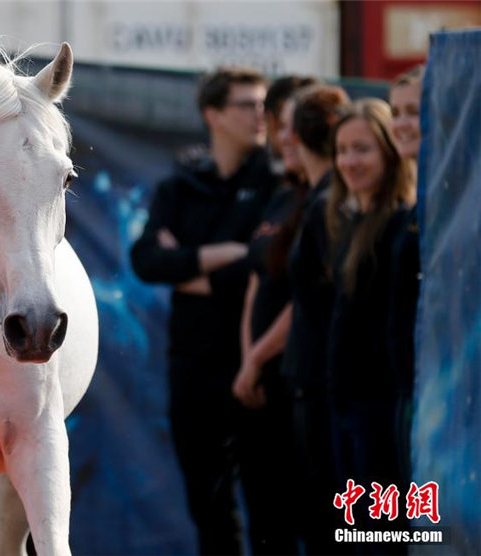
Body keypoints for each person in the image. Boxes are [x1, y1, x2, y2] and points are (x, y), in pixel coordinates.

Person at [130, 67, 275, 555]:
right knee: (208, 507)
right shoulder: (182, 185)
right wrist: (228, 253)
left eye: (264, 104)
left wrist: (188, 263)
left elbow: (263, 268)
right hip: (192, 369)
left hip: (256, 368)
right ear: (214, 115)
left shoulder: (276, 182)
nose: (261, 115)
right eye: (247, 105)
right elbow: (147, 261)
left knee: (268, 506)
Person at [231, 76, 317, 555]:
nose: (285, 137)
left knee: (311, 517)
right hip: (259, 378)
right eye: (280, 126)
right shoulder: (282, 194)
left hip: (292, 378)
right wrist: (248, 359)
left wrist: (258, 358)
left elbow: (302, 296)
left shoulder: (319, 201)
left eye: (295, 127)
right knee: (265, 519)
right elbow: (255, 281)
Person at [326, 99, 416, 552]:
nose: (348, 161)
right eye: (342, 150)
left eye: (361, 149)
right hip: (348, 410)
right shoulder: (354, 221)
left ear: (388, 152)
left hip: (380, 413)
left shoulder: (403, 224)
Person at [279, 84, 350, 555]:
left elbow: (310, 299)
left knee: (329, 520)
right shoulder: (313, 199)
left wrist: (255, 357)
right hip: (312, 379)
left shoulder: (329, 204)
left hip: (328, 384)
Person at [387, 65, 425, 483]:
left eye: (413, 111)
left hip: (433, 392)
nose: (400, 124)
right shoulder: (422, 197)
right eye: (395, 112)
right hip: (405, 387)